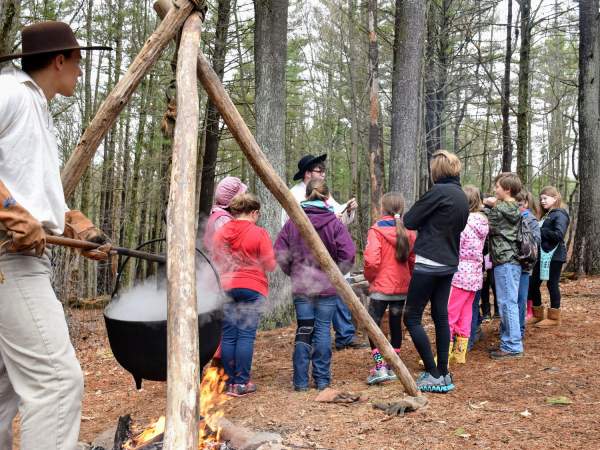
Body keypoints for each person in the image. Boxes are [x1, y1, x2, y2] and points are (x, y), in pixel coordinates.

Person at [0, 21, 111, 449]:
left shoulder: (38, 108)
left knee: (4, 388)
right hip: (11, 260)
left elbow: (28, 188)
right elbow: (14, 203)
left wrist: (72, 222)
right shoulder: (10, 92)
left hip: (19, 258)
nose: (80, 73)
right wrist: (11, 214)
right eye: (78, 62)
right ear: (60, 60)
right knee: (58, 383)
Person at [275, 180, 356, 391]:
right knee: (322, 330)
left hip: (302, 286)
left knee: (304, 329)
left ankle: (301, 382)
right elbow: (348, 254)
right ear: (327, 198)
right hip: (327, 287)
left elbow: (280, 252)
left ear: (307, 195)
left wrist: (293, 271)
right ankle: (322, 381)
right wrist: (336, 274)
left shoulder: (294, 222)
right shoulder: (334, 224)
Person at [402, 150, 469, 393]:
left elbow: (409, 220)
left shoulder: (438, 192)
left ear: (437, 171)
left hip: (429, 262)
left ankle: (432, 372)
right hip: (449, 263)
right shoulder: (461, 196)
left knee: (411, 317)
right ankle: (443, 373)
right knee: (440, 316)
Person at [283, 154, 365, 351]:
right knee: (313, 309)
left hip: (330, 255)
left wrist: (348, 210)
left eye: (323, 170)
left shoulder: (324, 193)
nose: (323, 174)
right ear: (308, 173)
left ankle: (344, 335)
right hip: (306, 260)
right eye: (320, 171)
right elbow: (288, 229)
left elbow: (340, 221)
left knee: (338, 292)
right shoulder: (294, 194)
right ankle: (312, 343)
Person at [212, 193, 276, 396]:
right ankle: (242, 383)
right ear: (254, 212)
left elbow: (215, 260)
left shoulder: (221, 233)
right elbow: (270, 264)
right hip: (252, 287)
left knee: (229, 335)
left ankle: (229, 382)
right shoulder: (259, 233)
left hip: (226, 287)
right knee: (245, 335)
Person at [363, 192, 416, 385]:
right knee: (395, 324)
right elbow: (412, 260)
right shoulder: (408, 231)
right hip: (401, 287)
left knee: (372, 324)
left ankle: (380, 367)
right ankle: (393, 365)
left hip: (381, 287)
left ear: (382, 208)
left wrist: (370, 279)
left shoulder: (376, 230)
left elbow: (371, 260)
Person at [483, 173, 524, 360]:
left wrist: (484, 205)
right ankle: (509, 342)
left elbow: (486, 227)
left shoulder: (499, 210)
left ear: (507, 189)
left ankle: (512, 345)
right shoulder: (514, 208)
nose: (495, 189)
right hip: (510, 261)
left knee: (507, 303)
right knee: (508, 302)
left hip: (506, 261)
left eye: (497, 186)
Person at [447, 185, 488, 364]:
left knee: (448, 313)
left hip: (459, 273)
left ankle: (444, 352)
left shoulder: (462, 223)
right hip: (475, 274)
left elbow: (454, 246)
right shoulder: (482, 222)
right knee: (465, 313)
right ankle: (460, 353)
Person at [528, 186, 570, 328]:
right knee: (533, 284)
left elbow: (559, 235)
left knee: (552, 284)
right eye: (541, 199)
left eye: (545, 198)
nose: (542, 201)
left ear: (555, 198)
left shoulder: (560, 214)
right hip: (542, 255)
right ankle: (538, 314)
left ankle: (553, 317)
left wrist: (541, 230)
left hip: (555, 255)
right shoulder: (548, 214)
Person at [515, 189, 541, 337]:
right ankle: (512, 328)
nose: (518, 207)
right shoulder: (510, 217)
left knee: (521, 298)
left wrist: (523, 241)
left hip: (524, 266)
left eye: (520, 203)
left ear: (525, 203)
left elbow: (537, 241)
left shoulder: (530, 219)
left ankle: (519, 330)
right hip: (511, 264)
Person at [202, 176, 247, 254]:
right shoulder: (223, 220)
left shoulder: (218, 212)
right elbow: (229, 251)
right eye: (241, 196)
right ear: (232, 201)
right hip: (216, 263)